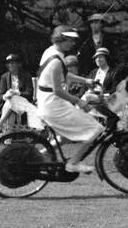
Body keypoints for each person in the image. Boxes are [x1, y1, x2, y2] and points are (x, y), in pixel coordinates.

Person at [33, 27, 105, 173]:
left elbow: (63, 75)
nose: (73, 43)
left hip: (48, 102)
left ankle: (40, 156)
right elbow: (58, 90)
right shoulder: (57, 61)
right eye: (70, 40)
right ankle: (73, 163)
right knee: (97, 129)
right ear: (61, 39)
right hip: (53, 105)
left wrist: (86, 81)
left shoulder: (52, 52)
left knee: (65, 136)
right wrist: (80, 102)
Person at [0, 53, 34, 134]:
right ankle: (8, 139)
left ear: (18, 64)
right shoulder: (4, 77)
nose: (10, 65)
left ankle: (1, 125)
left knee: (12, 101)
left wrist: (17, 93)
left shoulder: (26, 76)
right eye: (9, 63)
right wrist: (5, 96)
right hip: (9, 104)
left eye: (13, 63)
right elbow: (0, 95)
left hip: (24, 103)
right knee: (10, 103)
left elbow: (29, 93)